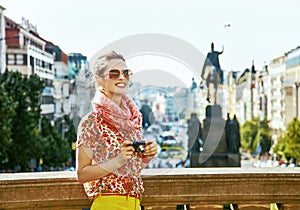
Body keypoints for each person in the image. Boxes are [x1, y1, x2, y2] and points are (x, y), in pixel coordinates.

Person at [76, 51, 158, 210]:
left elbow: (129, 170)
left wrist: (147, 156)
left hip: (134, 203)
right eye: (114, 74)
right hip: (108, 204)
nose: (122, 77)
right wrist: (118, 160)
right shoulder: (92, 122)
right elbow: (82, 174)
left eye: (126, 73)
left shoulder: (132, 120)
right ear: (100, 81)